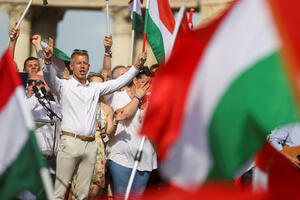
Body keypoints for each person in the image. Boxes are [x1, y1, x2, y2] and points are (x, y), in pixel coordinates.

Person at [42, 37, 147, 200]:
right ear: (71, 66)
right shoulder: (64, 85)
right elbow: (49, 78)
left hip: (91, 145)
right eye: (78, 63)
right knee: (59, 193)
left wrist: (136, 67)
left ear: (89, 66)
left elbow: (120, 82)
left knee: (83, 194)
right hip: (70, 142)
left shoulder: (95, 88)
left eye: (85, 63)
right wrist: (48, 63)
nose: (82, 66)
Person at [107, 67, 157, 197]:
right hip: (121, 156)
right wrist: (138, 97)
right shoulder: (118, 96)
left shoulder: (152, 99)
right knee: (121, 195)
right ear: (135, 80)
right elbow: (125, 113)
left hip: (145, 157)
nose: (148, 87)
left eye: (150, 83)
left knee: (136, 197)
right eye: (144, 83)